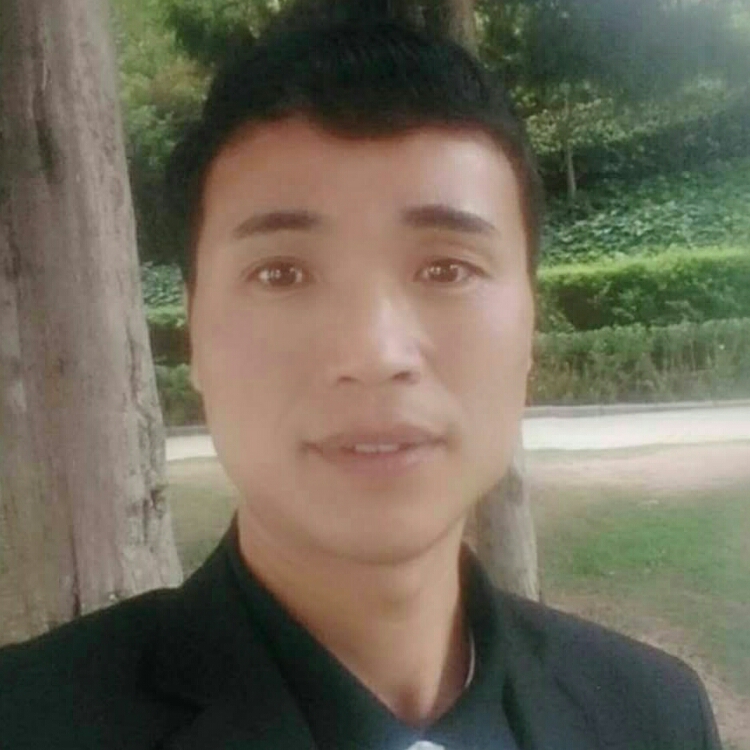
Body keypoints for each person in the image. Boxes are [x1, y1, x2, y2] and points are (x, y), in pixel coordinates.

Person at [0, 3, 723, 749]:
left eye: (447, 269)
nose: (375, 353)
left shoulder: (654, 717)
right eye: (282, 273)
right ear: (195, 333)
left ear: (530, 322)